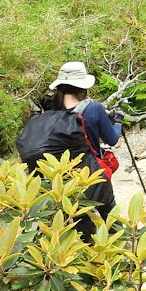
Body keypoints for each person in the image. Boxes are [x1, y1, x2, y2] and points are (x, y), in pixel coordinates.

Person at [18, 60, 122, 236]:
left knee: (80, 218)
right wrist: (118, 121)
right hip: (91, 175)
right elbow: (112, 139)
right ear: (82, 87)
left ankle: (88, 255)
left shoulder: (51, 115)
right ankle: (123, 249)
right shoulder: (93, 108)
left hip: (63, 182)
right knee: (109, 212)